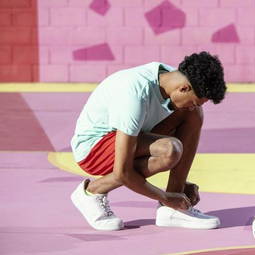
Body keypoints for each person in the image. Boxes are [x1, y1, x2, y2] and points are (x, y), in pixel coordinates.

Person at [70, 51, 227, 231]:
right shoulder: (134, 95)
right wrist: (166, 197)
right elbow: (123, 172)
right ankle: (91, 192)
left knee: (193, 115)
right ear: (184, 88)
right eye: (193, 101)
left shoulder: (169, 76)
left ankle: (172, 210)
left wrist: (180, 186)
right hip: (93, 150)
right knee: (170, 150)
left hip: (129, 136)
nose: (192, 105)